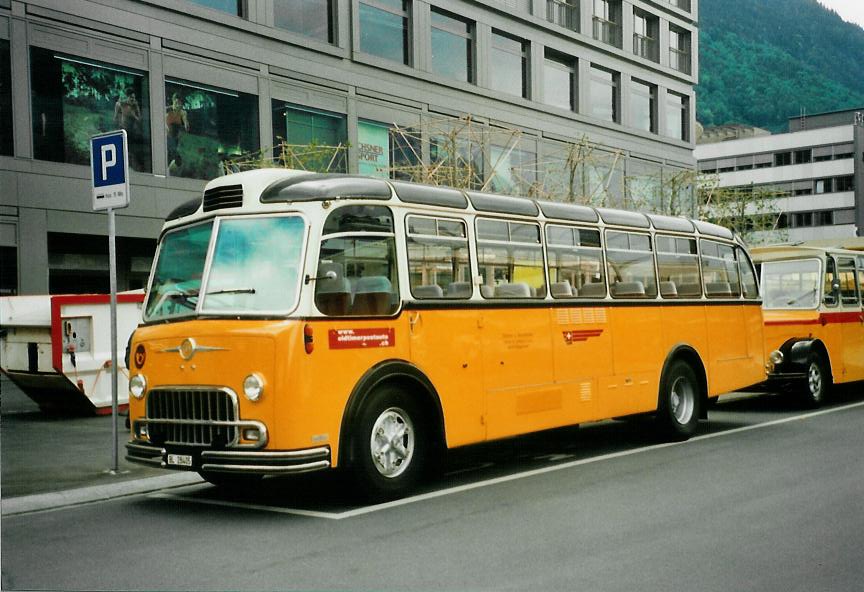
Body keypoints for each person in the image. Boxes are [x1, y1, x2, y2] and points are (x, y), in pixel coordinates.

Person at [166, 93, 189, 172]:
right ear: (173, 101)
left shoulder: (183, 113)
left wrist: (185, 122)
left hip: (175, 138)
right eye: (176, 102)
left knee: (170, 155)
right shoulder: (167, 110)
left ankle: (168, 169)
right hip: (167, 137)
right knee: (174, 154)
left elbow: (186, 126)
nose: (177, 105)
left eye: (179, 103)